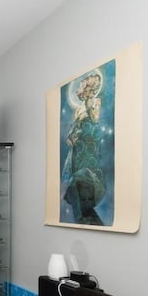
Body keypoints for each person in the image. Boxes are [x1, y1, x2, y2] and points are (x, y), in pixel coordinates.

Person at [62, 73, 105, 225]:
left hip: (88, 150)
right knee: (77, 183)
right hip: (78, 151)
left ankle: (87, 216)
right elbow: (72, 134)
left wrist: (88, 107)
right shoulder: (78, 110)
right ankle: (81, 215)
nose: (80, 89)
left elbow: (95, 123)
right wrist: (72, 136)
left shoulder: (95, 102)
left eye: (82, 85)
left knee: (84, 181)